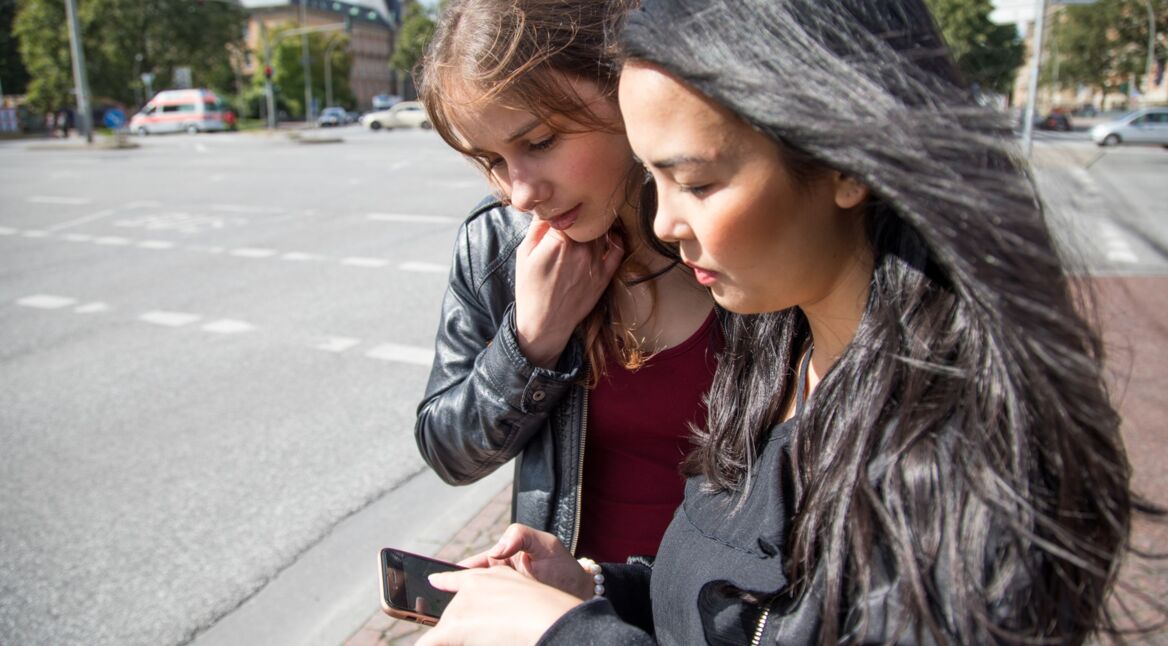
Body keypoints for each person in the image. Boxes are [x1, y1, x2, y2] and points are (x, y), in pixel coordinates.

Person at [414, 1, 1145, 644]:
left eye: (694, 182)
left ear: (841, 157)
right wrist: (599, 591)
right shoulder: (779, 346)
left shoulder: (959, 455)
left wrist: (568, 634)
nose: (666, 222)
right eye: (487, 160)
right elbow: (736, 594)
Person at [414, 0, 720, 565]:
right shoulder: (499, 244)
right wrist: (530, 343)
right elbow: (448, 451)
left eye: (539, 142)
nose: (521, 193)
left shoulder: (732, 224)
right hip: (575, 606)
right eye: (492, 160)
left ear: (624, 84)